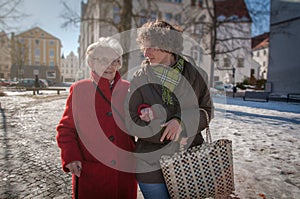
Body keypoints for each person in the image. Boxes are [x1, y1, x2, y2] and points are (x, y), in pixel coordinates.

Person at [125, 20, 214, 199]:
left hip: (189, 159)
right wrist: (167, 132)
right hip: (150, 163)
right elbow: (130, 120)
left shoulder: (197, 75)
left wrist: (181, 122)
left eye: (151, 47)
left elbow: (207, 112)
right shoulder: (139, 78)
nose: (145, 53)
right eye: (144, 47)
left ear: (167, 45)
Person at [56, 37, 137, 199]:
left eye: (115, 61)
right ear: (91, 62)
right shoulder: (80, 90)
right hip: (92, 171)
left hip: (124, 171)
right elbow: (66, 130)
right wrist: (71, 157)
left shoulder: (129, 88)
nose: (111, 66)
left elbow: (139, 118)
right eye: (104, 60)